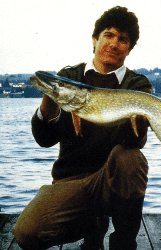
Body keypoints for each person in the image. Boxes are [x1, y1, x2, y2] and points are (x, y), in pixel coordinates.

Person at [13, 6, 152, 250]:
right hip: (70, 182)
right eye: (108, 35)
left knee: (131, 158)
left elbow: (135, 142)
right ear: (95, 39)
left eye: (123, 39)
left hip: (111, 181)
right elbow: (44, 140)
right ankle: (92, 225)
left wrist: (140, 121)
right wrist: (49, 99)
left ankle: (123, 243)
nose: (114, 43)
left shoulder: (136, 85)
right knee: (26, 234)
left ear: (129, 48)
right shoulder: (69, 76)